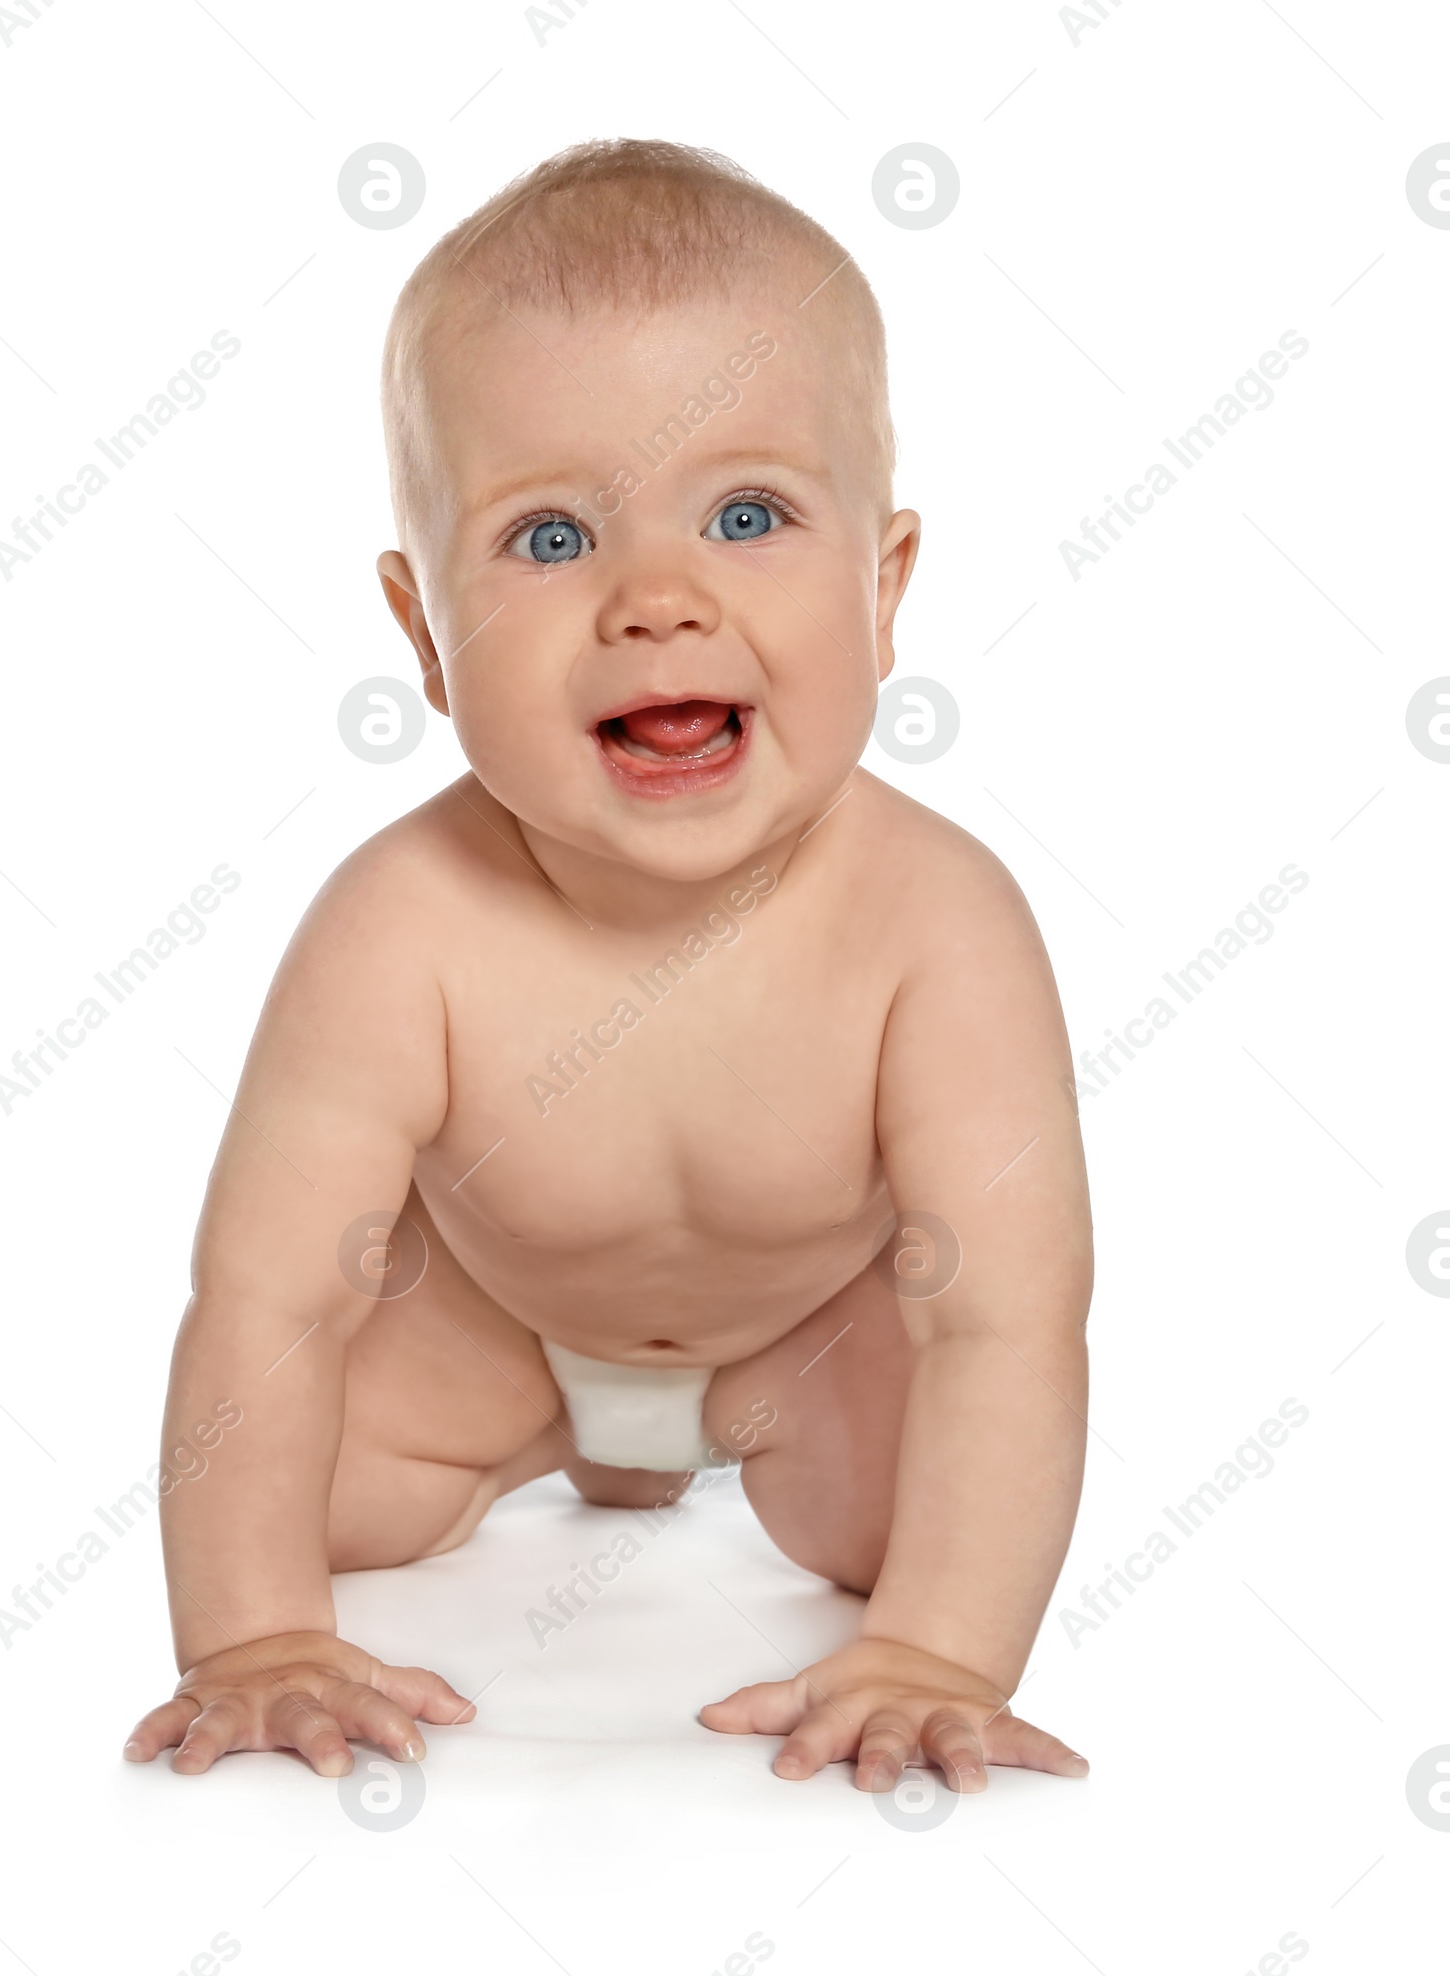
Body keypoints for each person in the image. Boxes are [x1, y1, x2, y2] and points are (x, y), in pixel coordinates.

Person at [125, 139, 1093, 1796]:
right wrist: (251, 1639)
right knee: (331, 1487)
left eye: (745, 513)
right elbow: (271, 1304)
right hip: (486, 1343)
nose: (657, 599)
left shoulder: (941, 925)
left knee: (905, 1523)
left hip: (806, 1351)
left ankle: (790, 1512)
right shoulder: (396, 925)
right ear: (425, 638)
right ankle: (538, 1455)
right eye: (552, 537)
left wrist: (943, 1656)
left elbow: (1010, 1319)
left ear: (883, 585)